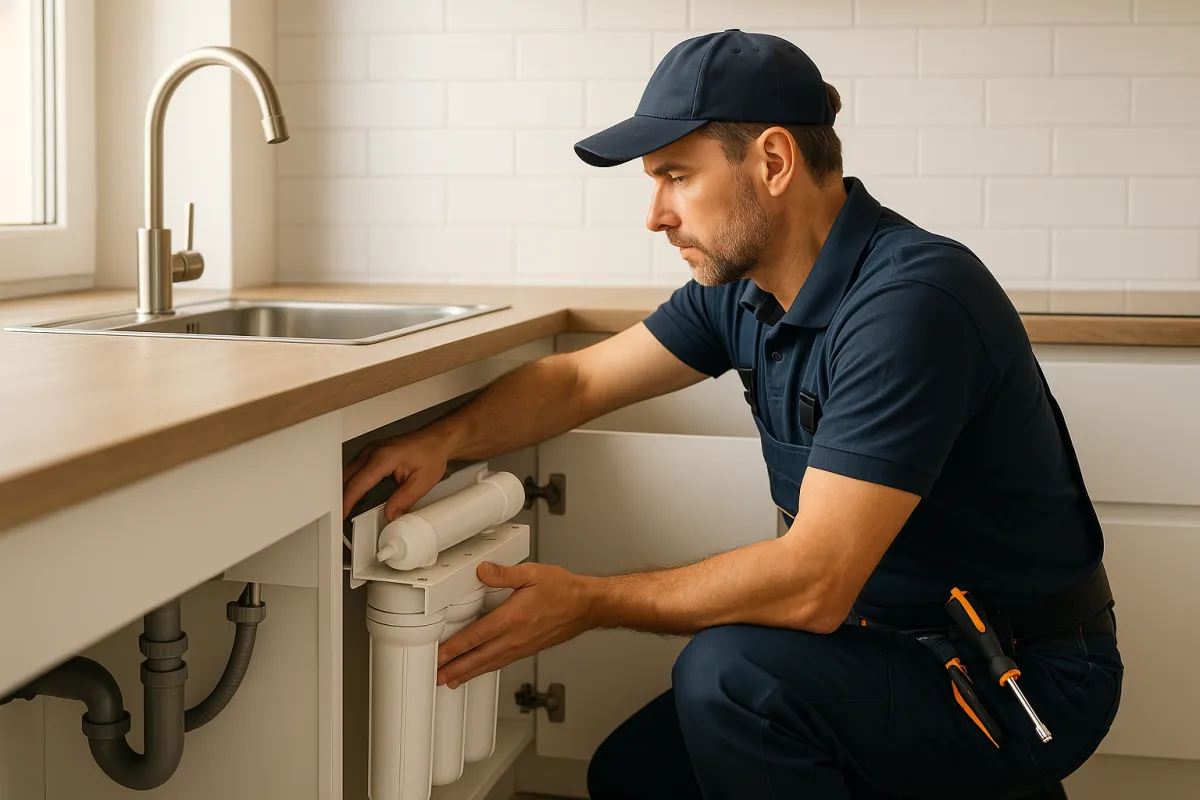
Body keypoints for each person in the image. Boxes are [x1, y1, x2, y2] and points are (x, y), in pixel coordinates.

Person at [342, 30, 1122, 800]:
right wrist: (443, 439)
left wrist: (589, 601)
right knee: (634, 775)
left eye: (676, 176)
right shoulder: (743, 291)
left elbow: (812, 582)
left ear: (773, 162)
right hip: (874, 644)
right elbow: (578, 383)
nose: (656, 214)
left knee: (728, 677)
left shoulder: (910, 304)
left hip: (1010, 676)